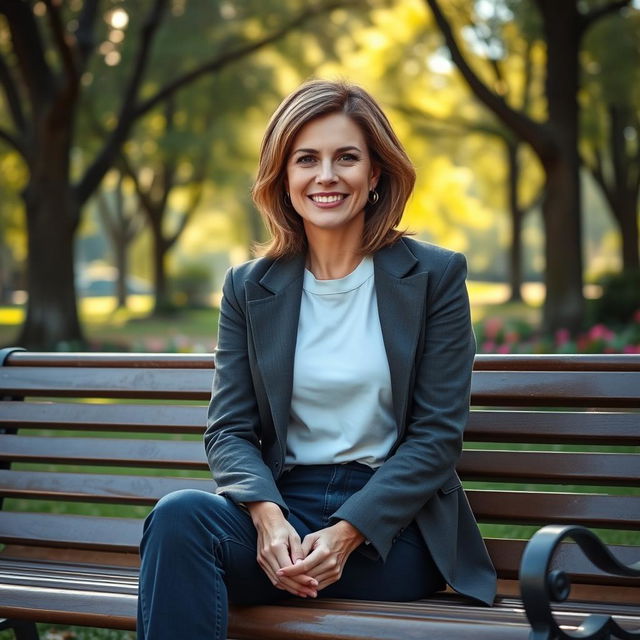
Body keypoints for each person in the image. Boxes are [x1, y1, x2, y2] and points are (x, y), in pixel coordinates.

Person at [137, 79, 496, 640]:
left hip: (390, 528)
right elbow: (229, 430)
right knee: (180, 518)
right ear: (283, 176)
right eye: (307, 159)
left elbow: (436, 436)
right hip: (284, 510)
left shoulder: (434, 276)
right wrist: (265, 516)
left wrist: (347, 532)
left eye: (346, 158)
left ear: (375, 173)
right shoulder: (248, 287)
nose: (326, 176)